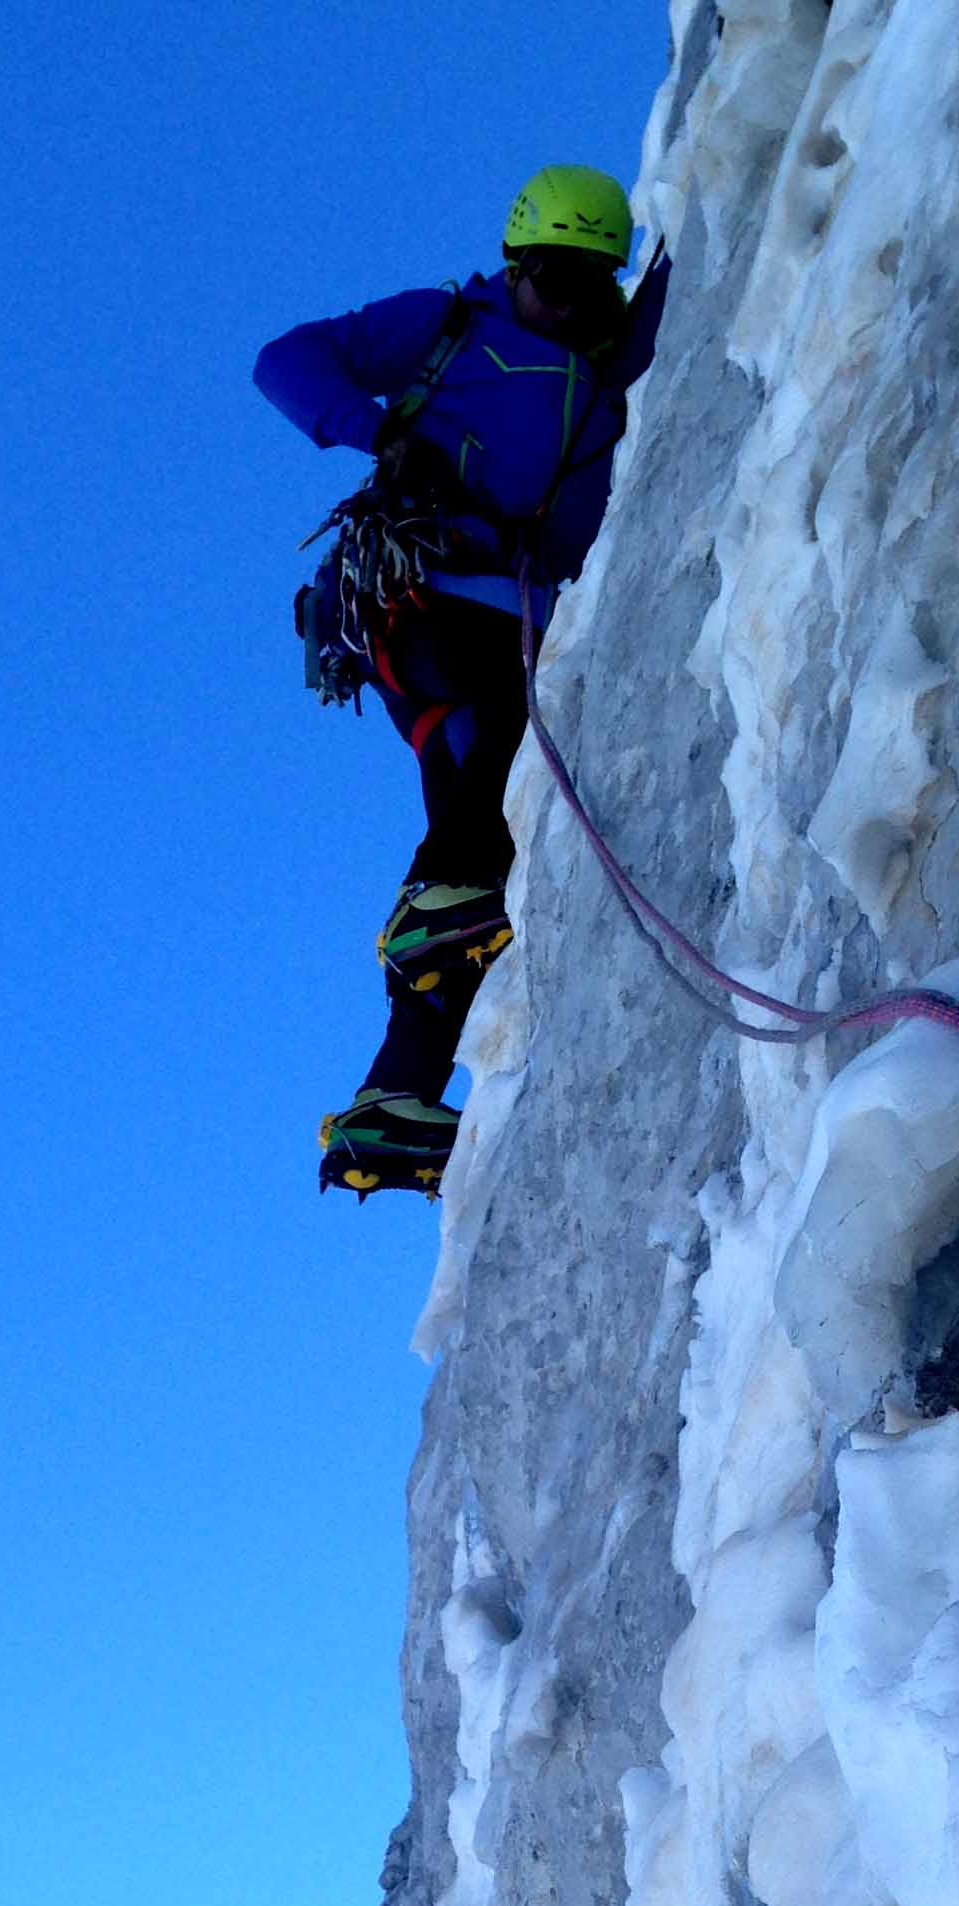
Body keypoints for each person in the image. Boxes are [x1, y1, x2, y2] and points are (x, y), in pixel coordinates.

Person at [253, 166, 671, 1199]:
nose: (563, 300)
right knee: (477, 746)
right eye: (546, 278)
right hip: (419, 589)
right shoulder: (451, 324)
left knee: (486, 834)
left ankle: (394, 1095)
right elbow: (287, 361)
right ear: (512, 265)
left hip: (514, 614)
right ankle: (427, 918)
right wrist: (379, 428)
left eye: (586, 281)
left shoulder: (607, 366)